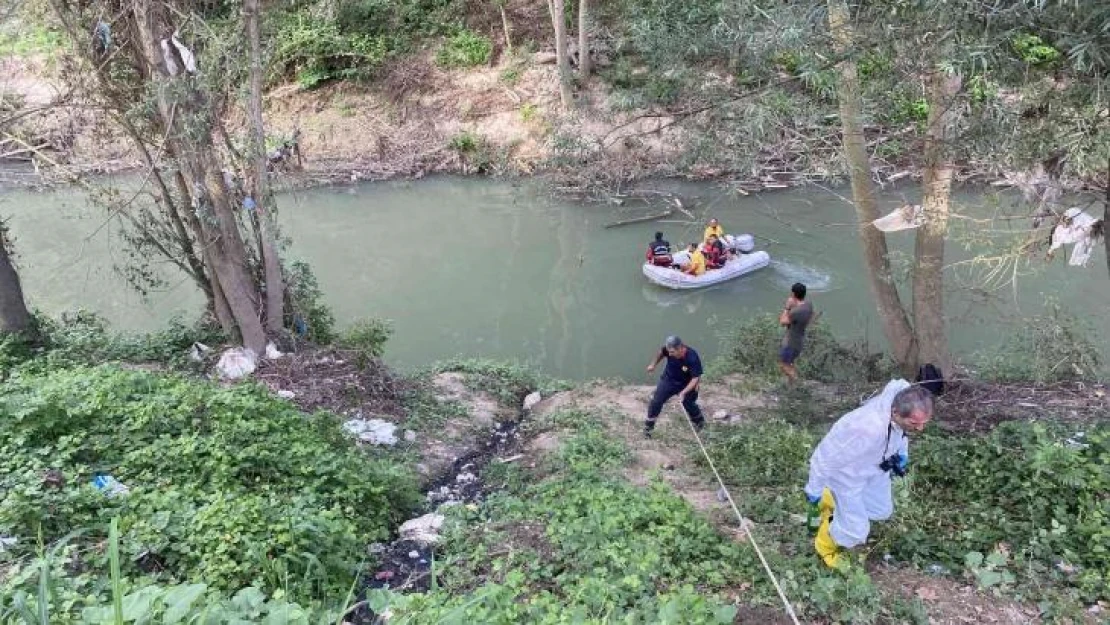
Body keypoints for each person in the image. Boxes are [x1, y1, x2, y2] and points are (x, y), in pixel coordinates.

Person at [804, 381, 934, 567]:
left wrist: (901, 452)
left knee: (880, 511)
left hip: (874, 469)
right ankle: (825, 546)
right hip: (847, 477)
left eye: (924, 423)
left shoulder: (899, 402)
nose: (920, 429)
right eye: (914, 423)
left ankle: (831, 500)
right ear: (896, 412)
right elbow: (825, 457)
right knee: (855, 531)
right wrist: (813, 487)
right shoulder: (865, 428)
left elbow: (900, 433)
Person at [644, 336, 705, 438]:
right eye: (669, 351)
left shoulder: (692, 357)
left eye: (672, 352)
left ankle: (700, 423)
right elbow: (661, 353)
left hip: (687, 383)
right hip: (669, 380)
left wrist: (683, 392)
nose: (670, 354)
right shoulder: (668, 350)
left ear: (681, 348)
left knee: (689, 404)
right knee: (656, 401)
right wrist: (653, 364)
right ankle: (648, 428)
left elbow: (695, 378)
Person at [778, 282, 814, 382]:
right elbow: (811, 317)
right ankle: (792, 386)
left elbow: (782, 322)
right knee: (790, 363)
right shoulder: (808, 305)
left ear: (793, 294)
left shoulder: (795, 312)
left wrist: (787, 307)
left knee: (783, 365)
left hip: (790, 343)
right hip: (800, 341)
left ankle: (797, 383)